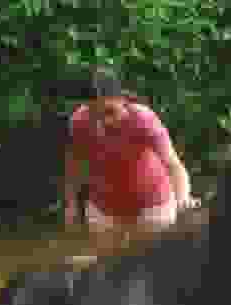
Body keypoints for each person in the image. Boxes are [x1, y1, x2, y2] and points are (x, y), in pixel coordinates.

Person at [64, 66, 199, 256]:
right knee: (106, 274)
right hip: (104, 209)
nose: (104, 122)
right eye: (94, 114)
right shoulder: (79, 120)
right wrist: (71, 204)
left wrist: (182, 200)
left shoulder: (144, 119)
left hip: (153, 208)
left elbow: (173, 164)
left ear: (122, 99)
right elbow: (74, 165)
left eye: (109, 112)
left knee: (155, 271)